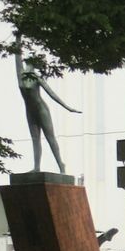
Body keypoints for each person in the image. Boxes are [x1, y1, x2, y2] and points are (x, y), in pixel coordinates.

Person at [15, 41, 80, 175]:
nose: (27, 65)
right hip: (30, 111)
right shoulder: (20, 75)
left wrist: (68, 107)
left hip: (41, 110)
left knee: (50, 138)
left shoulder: (37, 78)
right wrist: (18, 38)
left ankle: (61, 165)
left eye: (30, 63)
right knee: (35, 139)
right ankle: (36, 166)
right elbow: (16, 57)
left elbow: (52, 94)